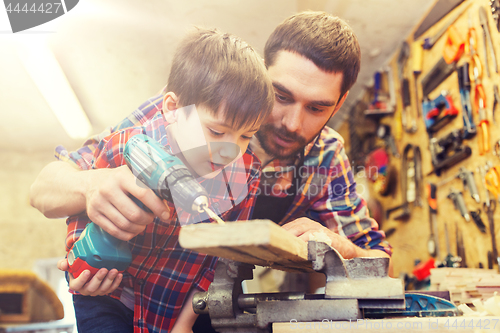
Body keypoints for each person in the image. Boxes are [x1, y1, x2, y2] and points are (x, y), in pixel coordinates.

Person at [30, 10, 393, 330]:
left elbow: (380, 266)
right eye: (280, 96)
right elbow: (44, 188)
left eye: (317, 108)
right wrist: (92, 185)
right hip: (122, 295)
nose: (292, 124)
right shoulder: (187, 112)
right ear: (261, 76)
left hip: (200, 303)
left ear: (340, 103)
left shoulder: (327, 159)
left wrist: (338, 245)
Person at [49, 27, 274, 333]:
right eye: (217, 132)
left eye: (246, 136)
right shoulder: (126, 145)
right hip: (109, 294)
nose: (229, 151)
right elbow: (83, 211)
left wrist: (183, 326)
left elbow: (218, 263)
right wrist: (81, 262)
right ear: (173, 109)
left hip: (177, 300)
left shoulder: (245, 175)